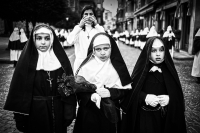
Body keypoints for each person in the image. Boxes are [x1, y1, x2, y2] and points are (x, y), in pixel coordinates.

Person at [4, 23, 77, 133]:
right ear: (34, 40)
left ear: (52, 40)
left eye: (47, 38)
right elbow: (19, 92)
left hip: (58, 113)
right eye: (39, 38)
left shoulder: (61, 63)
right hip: (34, 114)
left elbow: (69, 89)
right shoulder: (26, 63)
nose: (43, 42)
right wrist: (19, 117)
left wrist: (69, 113)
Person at [120, 37, 187, 133]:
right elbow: (131, 94)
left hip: (164, 119)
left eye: (161, 50)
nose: (158, 54)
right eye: (153, 50)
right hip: (144, 119)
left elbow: (178, 95)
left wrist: (169, 98)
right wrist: (145, 97)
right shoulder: (141, 70)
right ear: (148, 52)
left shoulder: (170, 71)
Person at [73, 32, 132, 133]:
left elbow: (126, 91)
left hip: (110, 112)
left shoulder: (118, 68)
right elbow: (78, 91)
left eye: (106, 48)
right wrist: (90, 95)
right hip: (89, 111)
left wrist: (111, 92)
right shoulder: (85, 67)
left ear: (111, 48)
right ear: (93, 50)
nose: (103, 53)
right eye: (98, 49)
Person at [67, 5, 105, 73]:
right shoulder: (77, 29)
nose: (88, 16)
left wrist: (96, 25)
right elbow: (70, 41)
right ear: (82, 16)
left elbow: (105, 39)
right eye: (86, 14)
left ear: (94, 16)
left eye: (91, 14)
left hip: (94, 63)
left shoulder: (97, 29)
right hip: (80, 64)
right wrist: (79, 27)